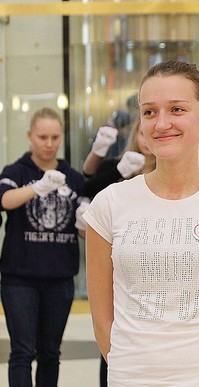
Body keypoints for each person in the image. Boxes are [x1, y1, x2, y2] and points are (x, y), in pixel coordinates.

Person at [83, 59, 199, 386]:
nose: (161, 123)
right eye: (150, 112)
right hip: (133, 378)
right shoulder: (109, 205)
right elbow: (102, 321)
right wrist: (132, 369)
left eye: (177, 109)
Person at [0, 107, 86, 386]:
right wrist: (38, 188)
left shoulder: (72, 177)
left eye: (55, 137)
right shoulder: (15, 171)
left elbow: (84, 229)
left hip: (60, 278)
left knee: (51, 353)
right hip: (19, 278)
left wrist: (87, 220)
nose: (49, 144)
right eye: (42, 137)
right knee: (23, 352)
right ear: (30, 137)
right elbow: (5, 200)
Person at [81, 119, 154, 387]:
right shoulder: (116, 166)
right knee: (113, 328)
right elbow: (86, 185)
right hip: (118, 261)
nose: (150, 139)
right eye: (144, 133)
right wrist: (117, 171)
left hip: (153, 263)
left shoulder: (171, 172)